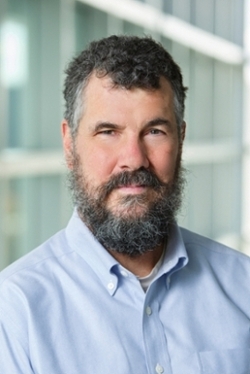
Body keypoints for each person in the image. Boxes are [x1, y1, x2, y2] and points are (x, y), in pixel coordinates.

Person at [0, 35, 250, 374]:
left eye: (155, 132)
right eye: (108, 131)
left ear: (181, 138)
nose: (133, 160)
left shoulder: (243, 284)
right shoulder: (14, 312)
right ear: (69, 144)